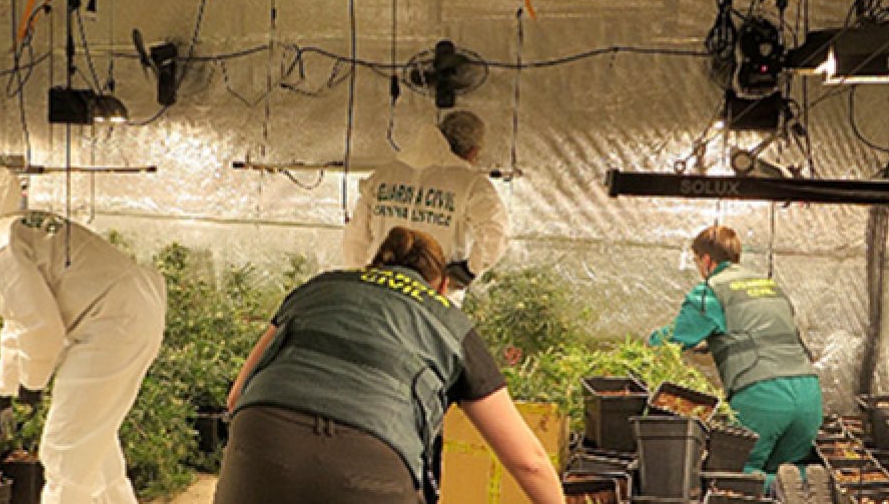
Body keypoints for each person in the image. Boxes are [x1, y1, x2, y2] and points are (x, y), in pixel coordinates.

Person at [215, 227, 563, 504]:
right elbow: (528, 461)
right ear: (442, 286)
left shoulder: (319, 288)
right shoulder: (450, 323)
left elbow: (236, 396)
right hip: (372, 462)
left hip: (260, 441)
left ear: (372, 266)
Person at [0, 167, 166, 504]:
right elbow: (17, 322)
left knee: (64, 450)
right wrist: (3, 390)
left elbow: (40, 326)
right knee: (95, 445)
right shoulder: (5, 230)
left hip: (111, 323)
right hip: (128, 310)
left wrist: (32, 384)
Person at [649, 224, 822, 481]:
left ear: (706, 260)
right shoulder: (770, 286)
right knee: (789, 471)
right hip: (808, 394)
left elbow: (675, 338)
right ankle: (811, 482)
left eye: (696, 261)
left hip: (763, 396)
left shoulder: (711, 290)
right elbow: (762, 333)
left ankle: (780, 486)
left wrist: (647, 345)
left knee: (734, 474)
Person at [342, 110, 508, 305]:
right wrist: (469, 270)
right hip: (435, 298)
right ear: (473, 152)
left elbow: (355, 238)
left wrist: (361, 280)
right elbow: (495, 234)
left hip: (381, 293)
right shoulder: (472, 184)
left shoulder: (384, 175)